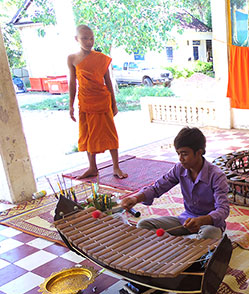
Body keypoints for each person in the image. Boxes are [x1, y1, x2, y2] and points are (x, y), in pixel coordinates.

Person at [120, 127, 230, 239]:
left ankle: (185, 243)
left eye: (184, 154)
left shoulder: (216, 175)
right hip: (186, 221)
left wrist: (204, 220)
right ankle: (183, 243)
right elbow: (157, 188)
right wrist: (135, 199)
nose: (180, 158)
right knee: (143, 225)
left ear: (199, 152)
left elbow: (223, 209)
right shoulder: (179, 169)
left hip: (209, 225)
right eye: (178, 153)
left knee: (208, 235)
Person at [68, 25, 127, 180]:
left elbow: (108, 81)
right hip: (85, 102)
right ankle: (92, 167)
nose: (89, 42)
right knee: (88, 135)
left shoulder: (101, 58)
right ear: (76, 39)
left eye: (91, 38)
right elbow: (72, 83)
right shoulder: (72, 59)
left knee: (110, 133)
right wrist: (70, 105)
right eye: (85, 38)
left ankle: (116, 166)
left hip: (102, 101)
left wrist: (114, 104)